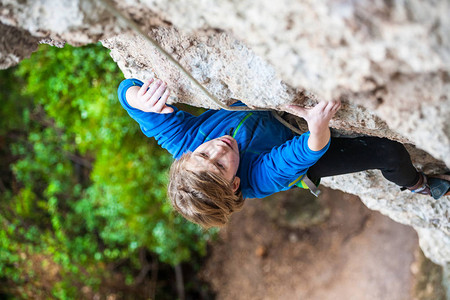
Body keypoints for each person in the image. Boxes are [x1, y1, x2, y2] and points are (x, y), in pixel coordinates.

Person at [118, 78, 450, 228]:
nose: (217, 149)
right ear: (234, 185)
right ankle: (417, 183)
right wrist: (317, 125)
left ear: (187, 157)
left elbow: (130, 98)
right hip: (306, 158)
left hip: (267, 114)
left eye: (203, 155)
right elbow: (304, 151)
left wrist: (137, 98)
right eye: (220, 165)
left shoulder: (184, 143)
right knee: (388, 152)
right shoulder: (258, 179)